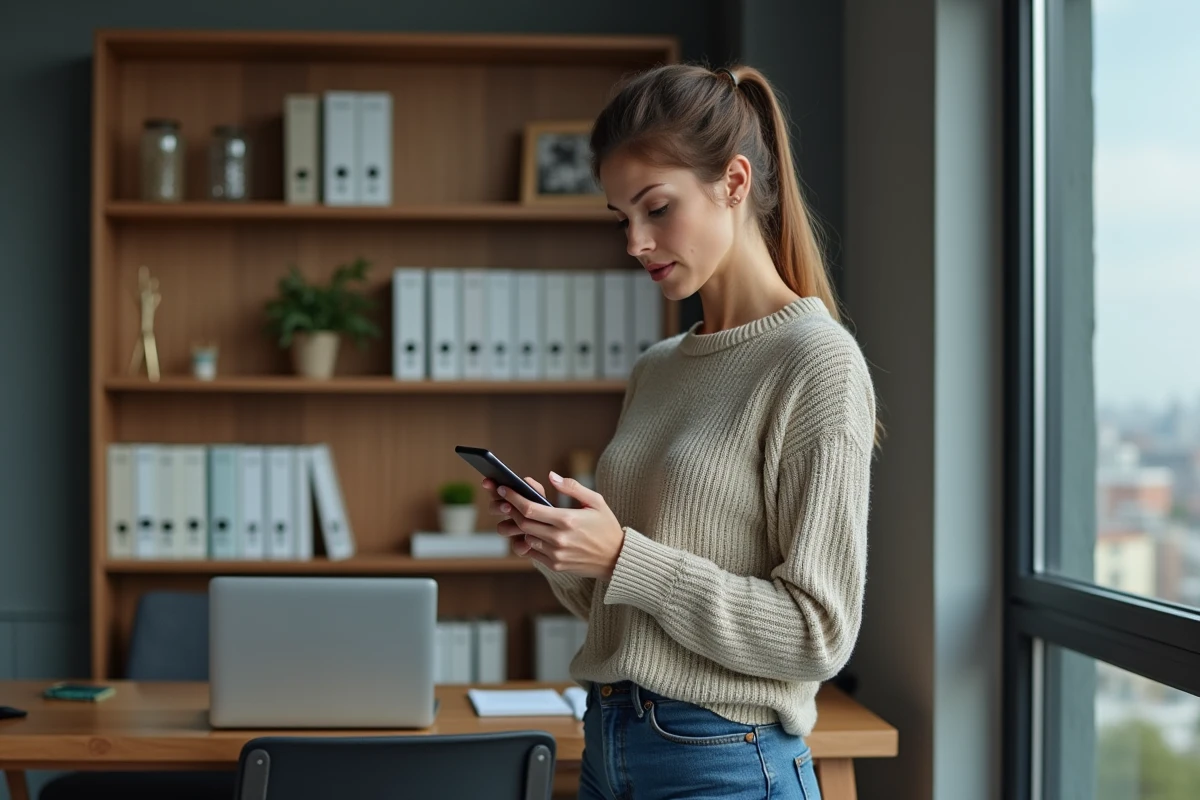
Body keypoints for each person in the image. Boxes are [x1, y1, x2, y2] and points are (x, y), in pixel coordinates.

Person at [482, 62, 879, 800]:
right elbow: (631, 606)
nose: (634, 242)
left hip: (725, 761)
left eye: (656, 208)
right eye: (620, 217)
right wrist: (561, 550)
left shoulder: (816, 362)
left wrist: (627, 554)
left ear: (732, 183)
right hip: (608, 743)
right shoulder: (659, 367)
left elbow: (817, 635)